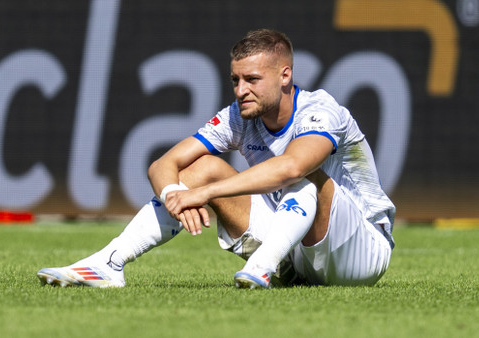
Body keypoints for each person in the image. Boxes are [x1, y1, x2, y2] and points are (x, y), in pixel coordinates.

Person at [37, 28, 395, 289]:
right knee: (202, 169)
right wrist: (175, 195)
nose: (241, 91)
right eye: (235, 80)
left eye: (252, 79)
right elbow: (162, 165)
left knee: (305, 177)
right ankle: (109, 264)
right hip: (299, 253)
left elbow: (292, 167)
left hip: (361, 252)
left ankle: (264, 264)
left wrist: (205, 195)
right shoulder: (239, 115)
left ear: (285, 75)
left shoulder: (320, 110)